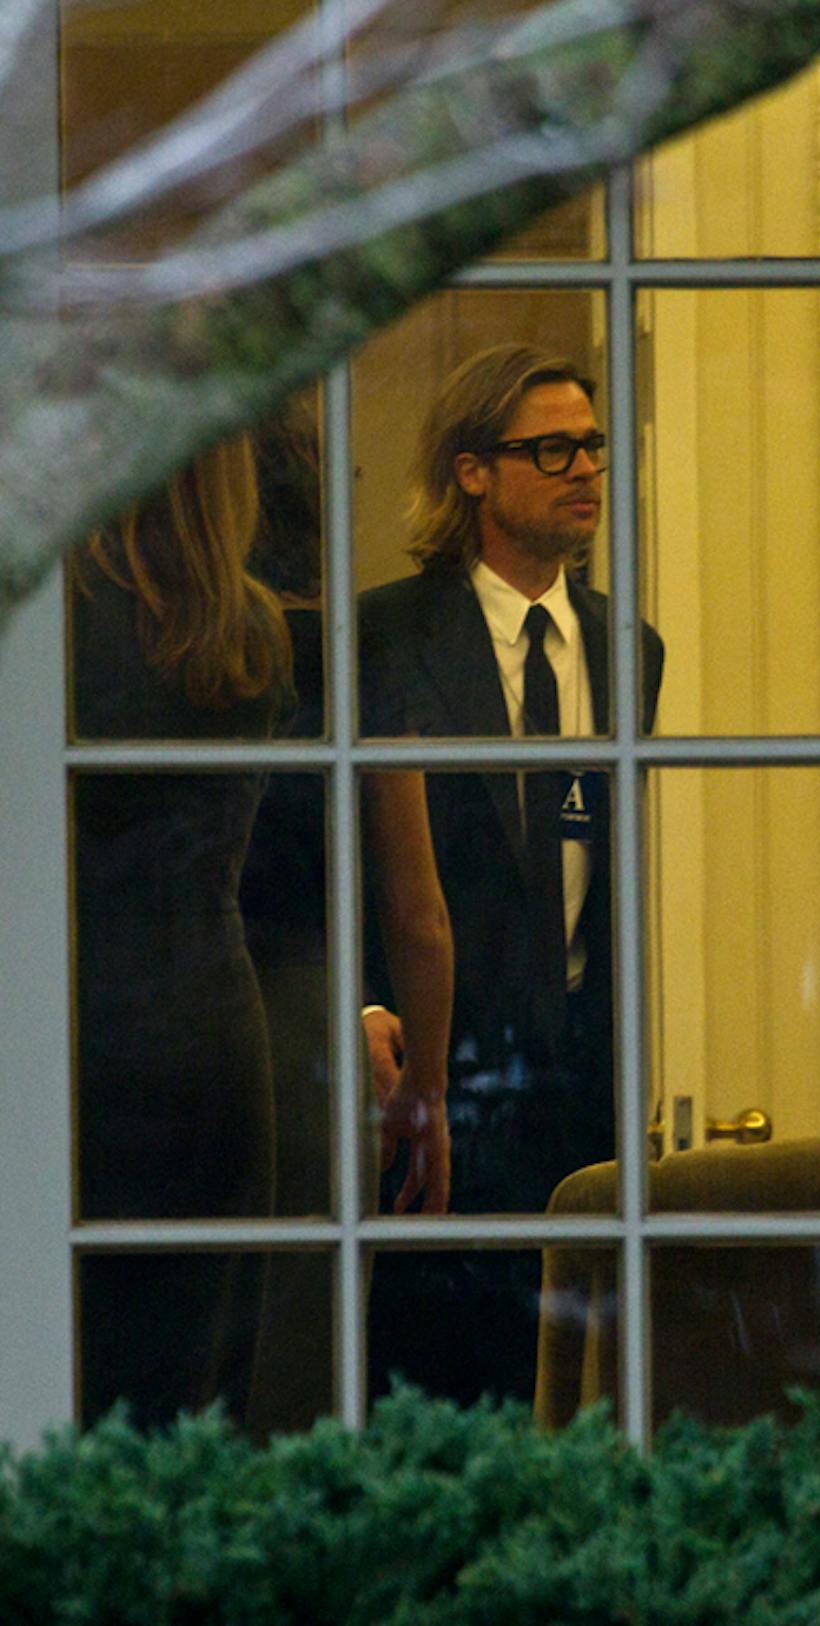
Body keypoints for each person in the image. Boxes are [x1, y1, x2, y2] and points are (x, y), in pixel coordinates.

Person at [357, 344, 664, 1406]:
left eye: (592, 446)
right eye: (551, 450)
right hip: (434, 1070)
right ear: (473, 471)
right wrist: (361, 1006)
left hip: (583, 1076)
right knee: (436, 1386)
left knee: (583, 1386)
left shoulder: (629, 647)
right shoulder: (386, 633)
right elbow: (326, 847)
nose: (584, 470)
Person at [240, 398, 456, 1434]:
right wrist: (428, 1088)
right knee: (301, 1370)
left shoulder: (154, 645)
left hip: (149, 1009)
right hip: (306, 1025)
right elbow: (417, 913)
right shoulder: (347, 648)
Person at [69, 435, 292, 1429]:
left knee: (71, 1380)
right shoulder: (252, 630)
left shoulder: (62, 618)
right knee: (197, 1390)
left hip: (82, 1023)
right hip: (214, 1025)